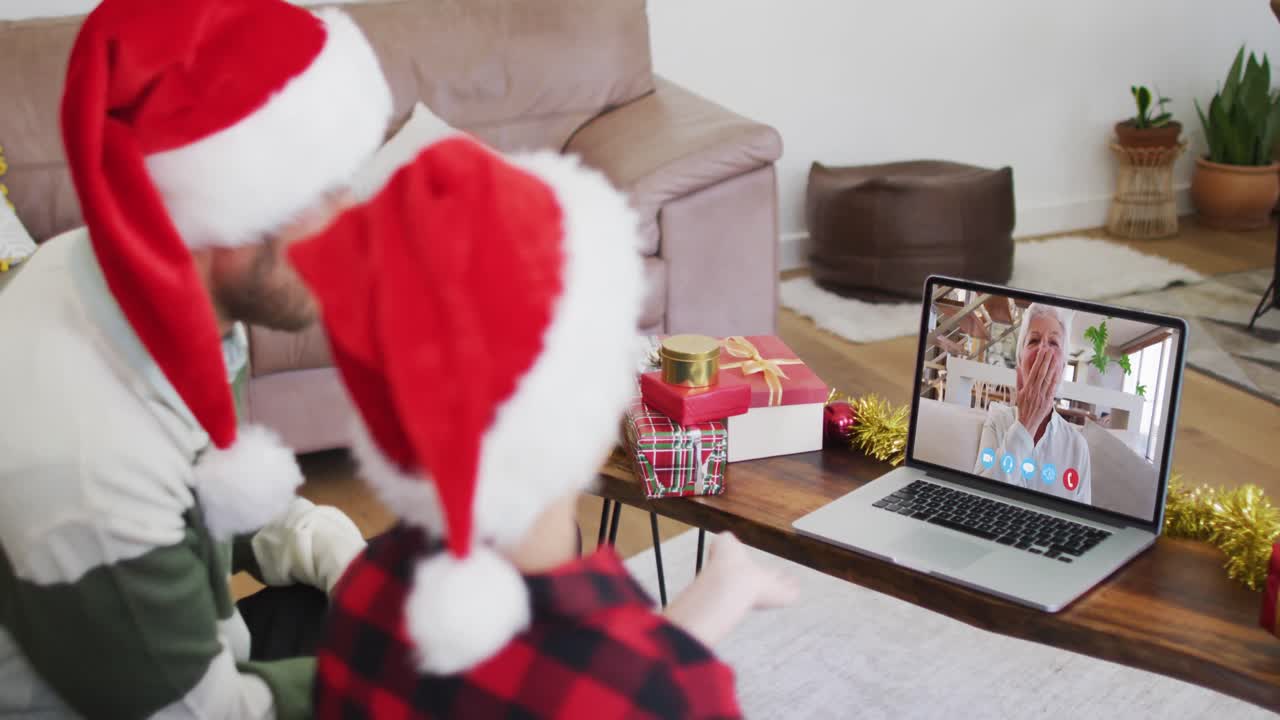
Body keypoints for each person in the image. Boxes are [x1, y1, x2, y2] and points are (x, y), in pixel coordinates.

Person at [292, 134, 797, 719]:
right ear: (598, 411)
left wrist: (718, 597)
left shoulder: (364, 593)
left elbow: (591, 669)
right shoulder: (671, 695)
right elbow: (633, 684)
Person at [0, 0, 392, 716]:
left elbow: (213, 489)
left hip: (189, 651)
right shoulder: (91, 470)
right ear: (225, 209)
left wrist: (343, 559)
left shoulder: (127, 284)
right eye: (321, 191)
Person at [973, 303, 1092, 504]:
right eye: (1034, 340)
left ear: (1063, 368)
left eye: (1053, 342)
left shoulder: (1077, 447)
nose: (1043, 349)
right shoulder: (997, 421)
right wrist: (1025, 425)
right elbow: (979, 502)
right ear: (1020, 363)